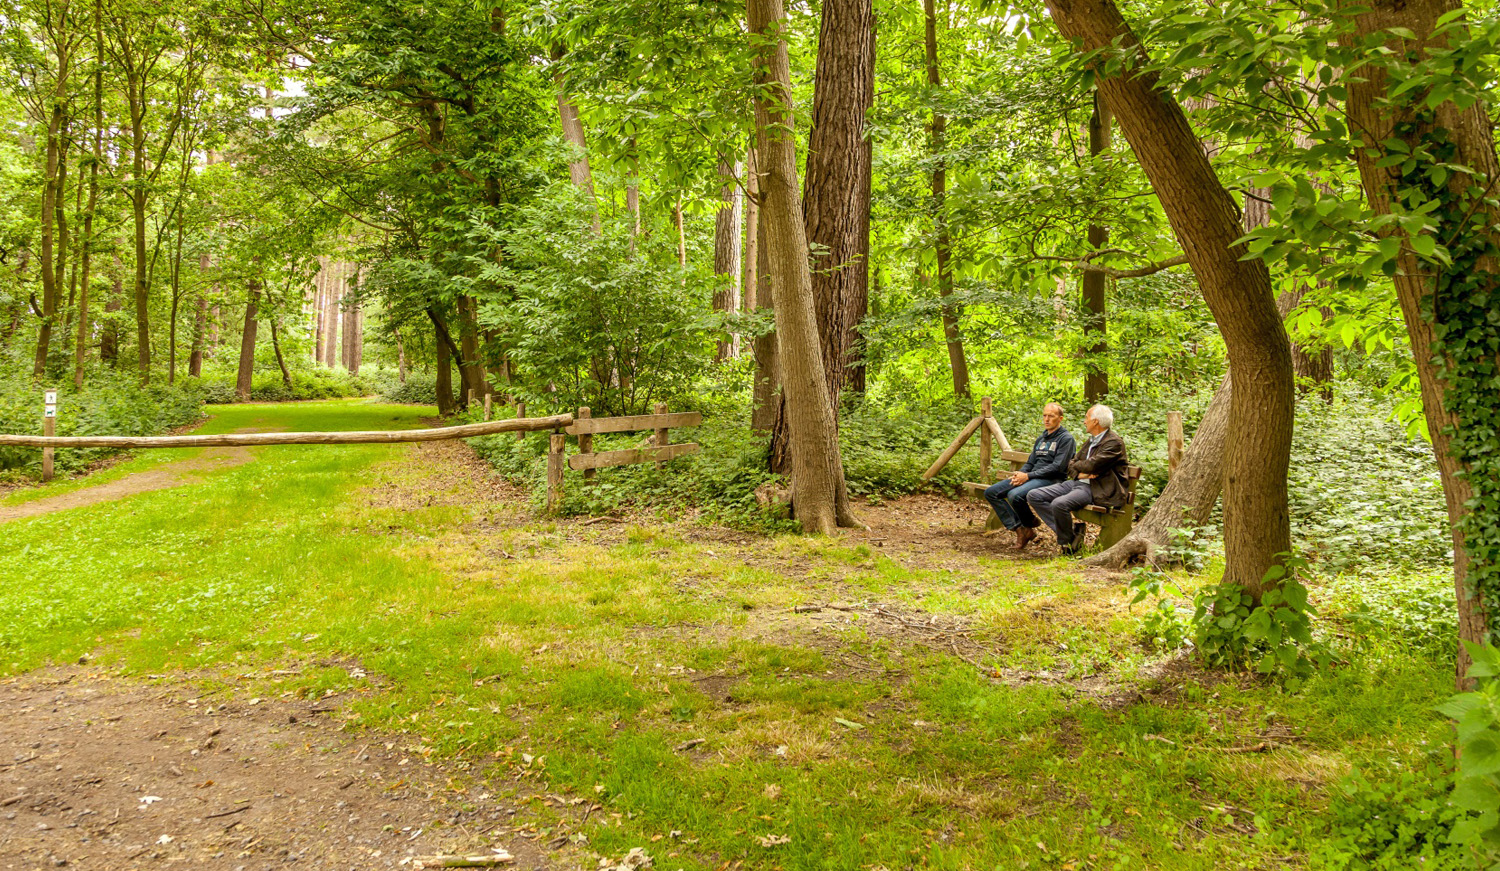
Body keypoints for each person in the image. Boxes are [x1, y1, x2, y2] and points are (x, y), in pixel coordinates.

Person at [1026, 404, 1129, 555]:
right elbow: (1071, 463)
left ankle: (1067, 545)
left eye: (1087, 418)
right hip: (1078, 482)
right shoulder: (1092, 440)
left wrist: (1081, 468)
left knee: (1059, 504)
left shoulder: (1114, 443)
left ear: (1095, 422)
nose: (1084, 421)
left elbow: (1091, 465)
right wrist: (1080, 474)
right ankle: (1073, 535)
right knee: (1034, 495)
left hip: (1096, 488)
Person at [983, 403, 1075, 550]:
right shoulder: (1042, 439)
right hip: (1032, 477)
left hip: (1051, 479)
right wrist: (1020, 474)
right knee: (991, 492)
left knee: (1014, 495)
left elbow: (1058, 467)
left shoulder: (1066, 439)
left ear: (1060, 418)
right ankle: (1022, 529)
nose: (1046, 419)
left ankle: (1027, 524)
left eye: (1051, 416)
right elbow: (1031, 462)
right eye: (1045, 415)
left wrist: (1027, 476)